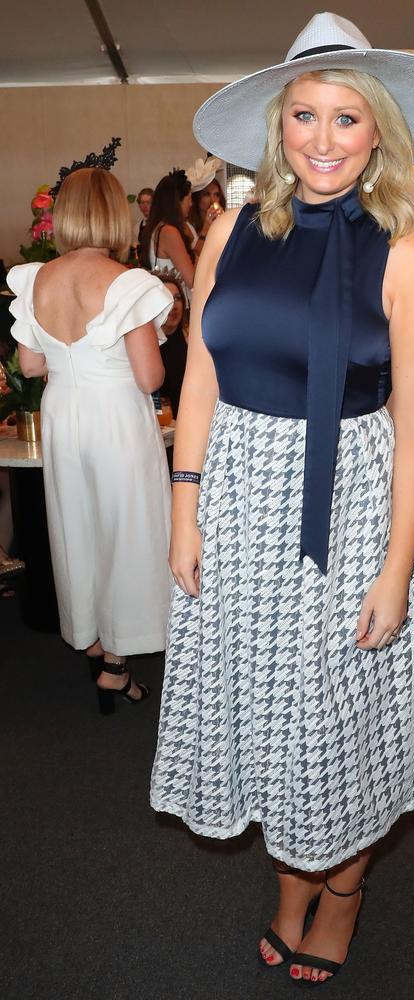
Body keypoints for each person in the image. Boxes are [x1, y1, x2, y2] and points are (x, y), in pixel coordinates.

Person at [150, 11, 414, 986]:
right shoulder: (229, 231)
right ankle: (293, 872)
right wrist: (183, 505)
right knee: (264, 708)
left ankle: (339, 888)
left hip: (351, 510)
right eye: (303, 116)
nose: (321, 140)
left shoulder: (405, 255)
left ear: (377, 131)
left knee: (336, 717)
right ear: (277, 126)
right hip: (239, 502)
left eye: (344, 119)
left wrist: (392, 569)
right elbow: (199, 376)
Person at [7, 167, 174, 714]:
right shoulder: (127, 282)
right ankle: (118, 661)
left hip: (64, 418)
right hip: (116, 419)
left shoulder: (37, 279)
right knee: (129, 532)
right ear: (114, 215)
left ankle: (96, 641)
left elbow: (30, 363)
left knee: (76, 529)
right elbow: (150, 378)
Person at [139, 170, 195, 292]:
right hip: (174, 302)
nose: (191, 204)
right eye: (189, 199)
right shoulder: (168, 232)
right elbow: (192, 281)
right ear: (177, 202)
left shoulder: (158, 227)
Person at [150, 268, 188, 418]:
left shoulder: (191, 337)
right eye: (167, 299)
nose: (174, 305)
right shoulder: (147, 345)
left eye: (177, 298)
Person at [187, 158, 227, 260]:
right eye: (207, 194)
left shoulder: (222, 220)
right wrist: (206, 227)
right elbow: (195, 256)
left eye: (216, 195)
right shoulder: (188, 225)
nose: (213, 200)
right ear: (197, 198)